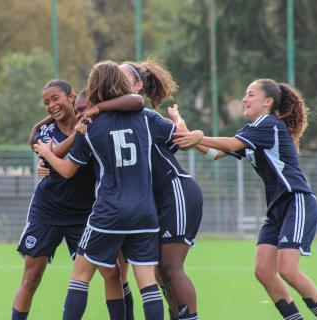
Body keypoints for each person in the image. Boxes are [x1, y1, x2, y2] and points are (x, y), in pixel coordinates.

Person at [173, 79, 317, 320]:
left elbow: (227, 143)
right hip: (276, 209)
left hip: (297, 201)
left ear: (268, 102)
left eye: (250, 94)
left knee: (288, 270)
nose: (244, 99)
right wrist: (185, 131)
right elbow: (215, 153)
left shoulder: (268, 123)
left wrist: (196, 135)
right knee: (263, 271)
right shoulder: (253, 130)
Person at [33, 60, 174, 320]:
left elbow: (66, 171)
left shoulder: (90, 126)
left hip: (109, 212)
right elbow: (175, 135)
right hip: (145, 212)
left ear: (93, 87)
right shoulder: (145, 118)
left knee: (80, 277)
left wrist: (45, 154)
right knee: (148, 284)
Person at [81, 58, 203, 320]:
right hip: (146, 201)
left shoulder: (143, 115)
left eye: (124, 79)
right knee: (155, 273)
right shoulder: (117, 118)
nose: (118, 84)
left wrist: (199, 136)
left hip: (175, 190)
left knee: (169, 268)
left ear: (137, 85)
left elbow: (181, 138)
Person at [19, 83, 144, 320]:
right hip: (48, 210)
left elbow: (135, 103)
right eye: (46, 102)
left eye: (55, 98)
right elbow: (47, 149)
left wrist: (81, 127)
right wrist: (71, 134)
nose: (51, 105)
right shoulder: (47, 132)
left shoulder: (94, 128)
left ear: (72, 97)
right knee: (32, 276)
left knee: (111, 272)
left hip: (86, 213)